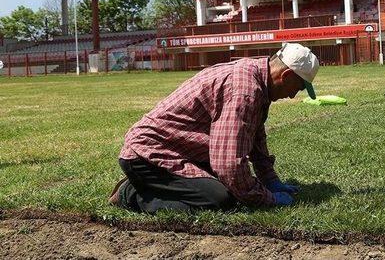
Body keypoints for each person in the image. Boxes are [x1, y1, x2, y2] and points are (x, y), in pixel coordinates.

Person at [108, 43, 319, 213]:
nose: (293, 95)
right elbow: (229, 166)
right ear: (286, 76)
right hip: (147, 154)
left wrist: (271, 181)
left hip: (180, 151)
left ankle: (154, 183)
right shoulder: (245, 91)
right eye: (299, 88)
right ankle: (130, 193)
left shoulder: (256, 78)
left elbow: (255, 138)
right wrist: (268, 199)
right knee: (219, 198)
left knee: (232, 186)